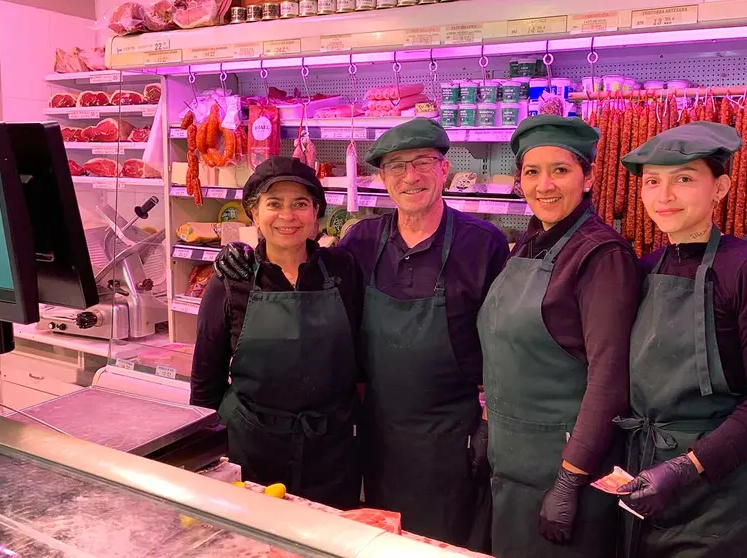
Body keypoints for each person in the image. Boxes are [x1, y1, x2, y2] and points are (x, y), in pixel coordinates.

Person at [213, 119, 509, 551]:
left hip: (448, 437)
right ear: (383, 178)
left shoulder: (484, 244)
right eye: (397, 166)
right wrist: (241, 251)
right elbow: (301, 263)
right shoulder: (362, 242)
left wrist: (488, 421)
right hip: (374, 431)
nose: (411, 176)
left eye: (423, 162)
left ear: (444, 168)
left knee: (439, 546)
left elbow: (503, 346)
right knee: (374, 538)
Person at [615, 121, 747, 558]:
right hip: (647, 482)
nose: (664, 195)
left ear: (722, 188)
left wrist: (685, 467)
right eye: (652, 181)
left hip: (725, 500)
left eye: (684, 179)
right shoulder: (644, 268)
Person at [477, 115, 643, 558]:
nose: (544, 185)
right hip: (512, 464)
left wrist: (570, 479)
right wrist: (488, 423)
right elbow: (504, 352)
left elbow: (609, 380)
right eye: (532, 172)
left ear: (588, 178)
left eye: (560, 170)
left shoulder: (602, 256)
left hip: (563, 472)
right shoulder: (530, 243)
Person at [192, 156, 363, 510]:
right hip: (252, 448)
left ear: (316, 213)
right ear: (254, 214)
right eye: (274, 204)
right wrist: (204, 456)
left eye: (300, 203)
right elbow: (205, 383)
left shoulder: (343, 270)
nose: (288, 216)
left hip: (330, 451)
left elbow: (362, 360)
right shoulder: (231, 281)